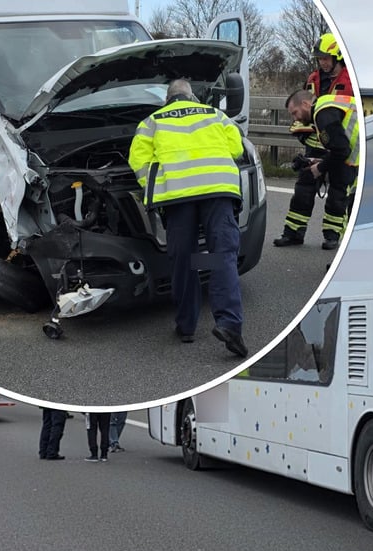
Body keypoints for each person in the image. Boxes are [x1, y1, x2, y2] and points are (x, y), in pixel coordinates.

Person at [128, 79, 248, 357]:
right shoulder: (215, 114)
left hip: (178, 198)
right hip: (218, 191)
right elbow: (237, 149)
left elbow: (139, 161)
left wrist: (156, 189)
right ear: (192, 96)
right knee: (220, 255)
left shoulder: (152, 121)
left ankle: (187, 327)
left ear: (167, 99)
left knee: (185, 258)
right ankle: (229, 323)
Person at [273, 33, 355, 250]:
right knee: (303, 188)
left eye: (326, 58)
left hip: (340, 146)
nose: (323, 63)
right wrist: (300, 131)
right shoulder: (312, 79)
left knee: (338, 193)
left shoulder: (349, 80)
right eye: (319, 59)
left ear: (337, 56)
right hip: (315, 141)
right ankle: (293, 233)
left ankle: (332, 236)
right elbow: (303, 106)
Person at [283, 90, 360, 252]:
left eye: (295, 113)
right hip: (352, 158)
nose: (295, 119)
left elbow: (341, 150)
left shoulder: (322, 114)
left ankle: (344, 253)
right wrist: (319, 161)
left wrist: (320, 167)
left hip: (353, 161)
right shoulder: (326, 105)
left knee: (341, 199)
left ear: (305, 104)